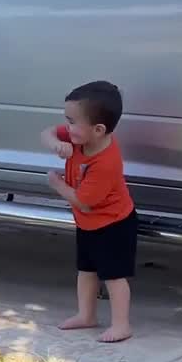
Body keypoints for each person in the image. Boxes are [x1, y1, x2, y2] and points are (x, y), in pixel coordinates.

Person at [41, 81, 136, 343]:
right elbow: (47, 132)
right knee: (86, 270)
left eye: (72, 122)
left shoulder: (105, 162)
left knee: (114, 277)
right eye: (67, 120)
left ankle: (121, 325)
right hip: (88, 224)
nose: (67, 128)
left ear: (98, 130)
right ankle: (87, 315)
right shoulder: (80, 138)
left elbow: (84, 202)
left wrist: (57, 183)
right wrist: (55, 144)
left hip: (113, 225)